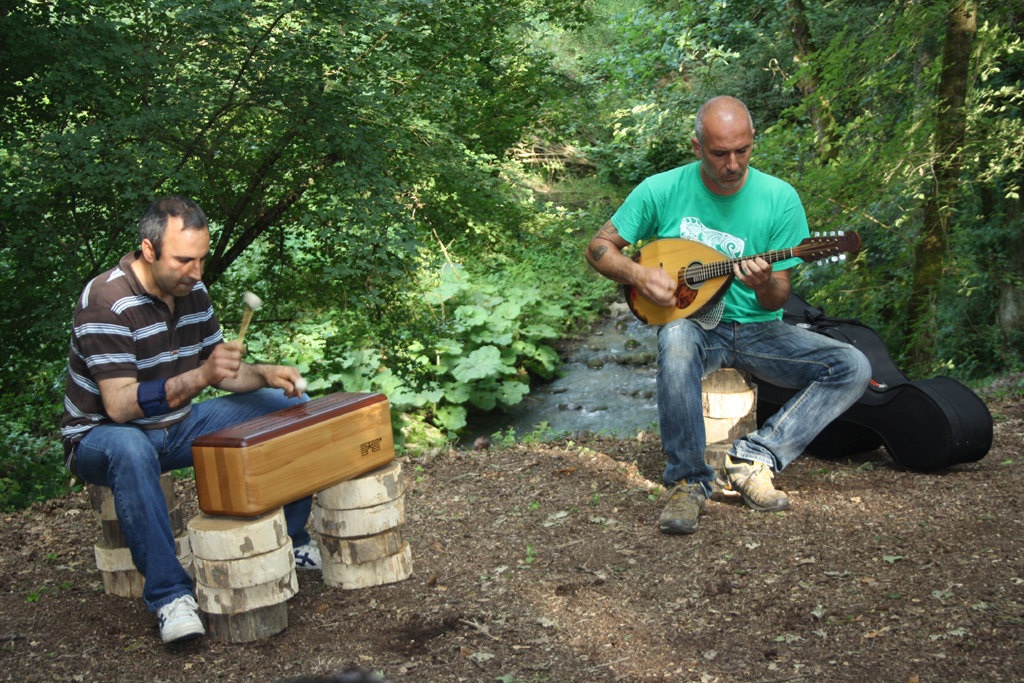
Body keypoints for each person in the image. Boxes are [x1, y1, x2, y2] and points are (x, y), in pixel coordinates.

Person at [585, 96, 871, 536]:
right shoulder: (660, 189)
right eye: (720, 153)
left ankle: (754, 459)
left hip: (760, 331)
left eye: (742, 151)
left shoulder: (780, 199)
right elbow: (599, 249)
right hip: (698, 328)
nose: (733, 164)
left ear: (753, 141)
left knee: (853, 366)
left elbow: (775, 298)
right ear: (698, 147)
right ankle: (688, 481)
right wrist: (639, 274)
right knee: (676, 336)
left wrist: (763, 283)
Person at [61, 196, 321, 644]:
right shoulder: (105, 302)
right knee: (130, 447)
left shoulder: (191, 291)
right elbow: (120, 406)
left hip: (178, 425)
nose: (197, 273)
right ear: (148, 249)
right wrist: (203, 375)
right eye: (184, 260)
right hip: (101, 438)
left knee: (291, 406)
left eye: (201, 259)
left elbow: (222, 370)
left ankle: (293, 539)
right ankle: (169, 598)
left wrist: (265, 374)